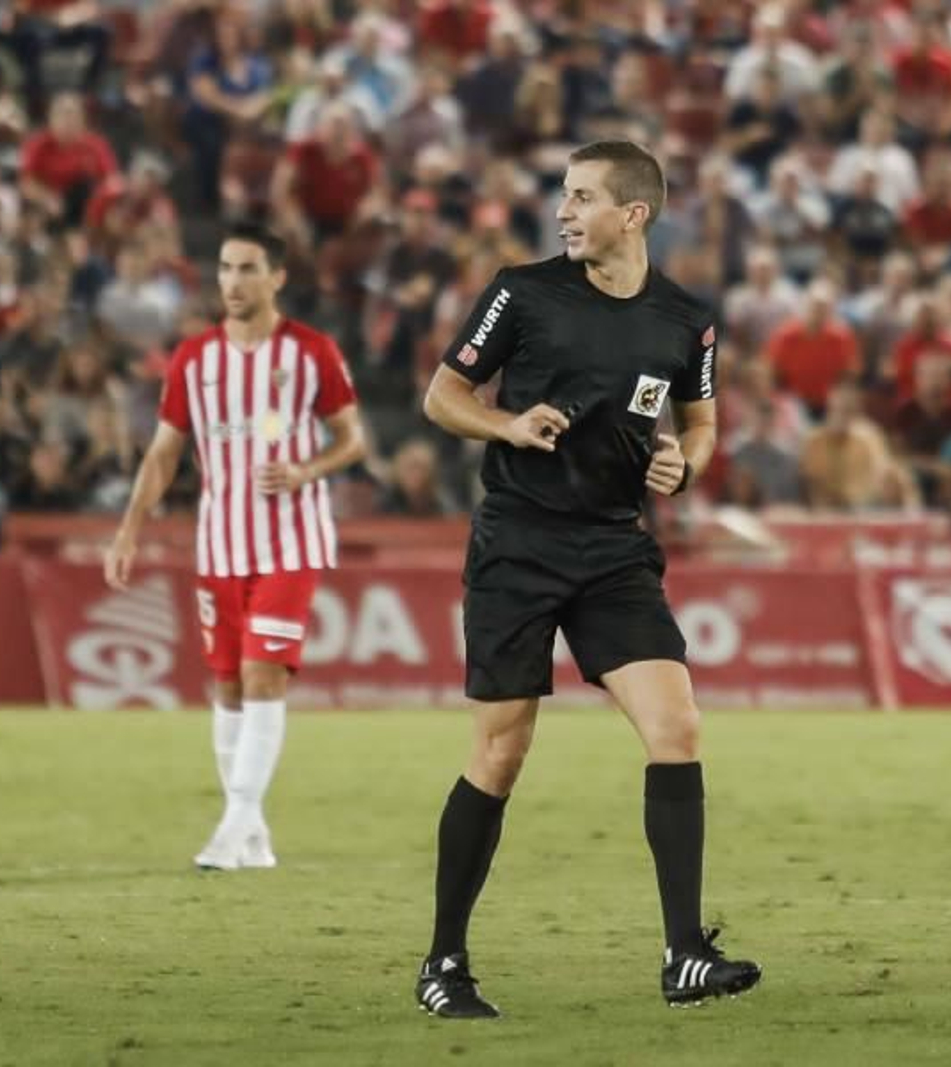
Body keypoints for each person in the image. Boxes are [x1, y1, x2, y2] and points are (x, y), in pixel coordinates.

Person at [413, 140, 761, 1019]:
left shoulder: (686, 319)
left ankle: (684, 953)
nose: (563, 211)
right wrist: (506, 423)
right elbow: (442, 395)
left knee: (676, 727)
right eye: (563, 196)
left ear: (632, 215)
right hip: (518, 544)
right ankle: (444, 962)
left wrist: (686, 460)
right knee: (500, 752)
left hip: (613, 548)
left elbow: (704, 418)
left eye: (580, 197)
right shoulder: (520, 292)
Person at [103, 223, 366, 871]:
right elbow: (164, 453)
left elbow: (352, 439)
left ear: (276, 277)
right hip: (219, 544)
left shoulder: (312, 352)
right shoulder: (193, 359)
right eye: (225, 268)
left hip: (291, 541)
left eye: (248, 268)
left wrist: (306, 470)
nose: (233, 282)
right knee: (225, 686)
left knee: (262, 674)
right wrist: (129, 527)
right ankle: (251, 831)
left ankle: (233, 823)